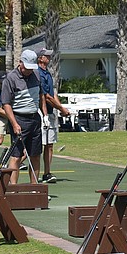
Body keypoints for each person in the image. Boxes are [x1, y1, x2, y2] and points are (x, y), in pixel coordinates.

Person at [1, 49, 47, 184]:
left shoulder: (37, 74)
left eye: (31, 68)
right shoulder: (11, 78)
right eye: (27, 68)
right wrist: (14, 124)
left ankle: (34, 187)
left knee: (35, 155)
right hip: (19, 118)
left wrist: (44, 115)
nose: (29, 71)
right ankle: (13, 188)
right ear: (20, 62)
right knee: (16, 155)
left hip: (35, 119)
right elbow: (6, 104)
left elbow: (41, 96)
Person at [37, 48, 70, 183]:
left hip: (50, 113)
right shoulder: (38, 73)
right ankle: (11, 166)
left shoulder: (47, 73)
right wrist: (61, 108)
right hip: (41, 113)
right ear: (40, 58)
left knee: (49, 144)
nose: (49, 58)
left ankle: (47, 173)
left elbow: (53, 94)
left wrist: (61, 108)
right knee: (37, 145)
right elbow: (46, 97)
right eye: (46, 56)